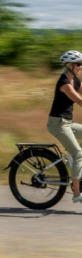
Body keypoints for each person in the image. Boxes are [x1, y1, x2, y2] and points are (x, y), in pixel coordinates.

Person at [47, 50, 82, 203]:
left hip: (68, 123)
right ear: (69, 65)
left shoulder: (75, 80)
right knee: (78, 153)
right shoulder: (64, 83)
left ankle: (72, 163)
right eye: (78, 64)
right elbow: (80, 101)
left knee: (76, 154)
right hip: (58, 124)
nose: (81, 67)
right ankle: (76, 193)